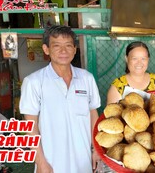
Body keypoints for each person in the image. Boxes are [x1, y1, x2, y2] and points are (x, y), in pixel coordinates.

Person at [19, 25, 101, 173]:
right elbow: (31, 126)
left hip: (83, 161)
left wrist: (96, 149)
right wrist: (41, 162)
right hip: (51, 163)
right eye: (56, 45)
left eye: (68, 45)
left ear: (75, 49)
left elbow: (93, 115)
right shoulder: (34, 82)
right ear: (46, 49)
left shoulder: (87, 78)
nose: (63, 51)